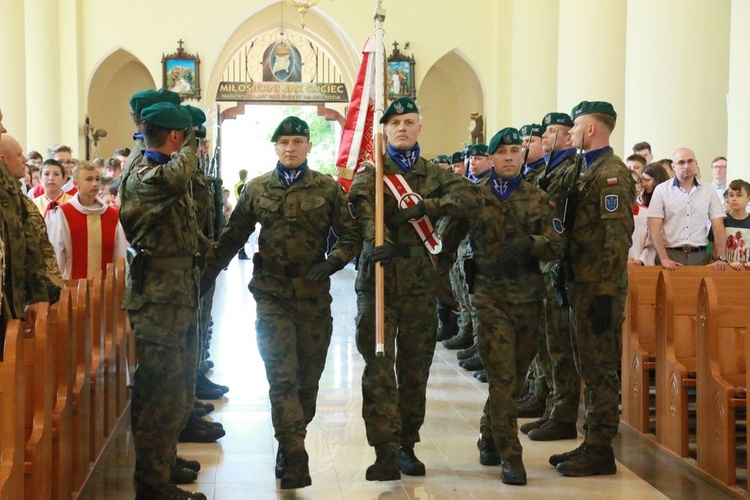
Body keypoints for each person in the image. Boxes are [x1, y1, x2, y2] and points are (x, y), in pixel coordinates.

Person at [201, 116, 361, 490]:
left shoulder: (327, 189)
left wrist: (333, 262)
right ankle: (294, 452)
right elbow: (232, 236)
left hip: (313, 294)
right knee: (281, 376)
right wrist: (206, 276)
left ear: (308, 146)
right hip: (271, 293)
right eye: (284, 142)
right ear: (275, 147)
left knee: (307, 380)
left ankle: (291, 437)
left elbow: (351, 235)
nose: (291, 148)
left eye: (297, 142)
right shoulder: (257, 189)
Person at [347, 97, 483, 481]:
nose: (402, 128)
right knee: (378, 367)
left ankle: (407, 443)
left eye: (409, 122)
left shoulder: (433, 174)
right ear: (385, 131)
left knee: (414, 369)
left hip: (421, 284)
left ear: (419, 127)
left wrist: (428, 205)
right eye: (395, 123)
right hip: (380, 282)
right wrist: (378, 239)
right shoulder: (372, 173)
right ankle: (384, 449)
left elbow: (473, 198)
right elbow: (360, 208)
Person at [461, 127, 563, 485]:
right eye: (500, 151)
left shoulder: (539, 198)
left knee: (515, 377)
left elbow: (555, 244)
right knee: (502, 377)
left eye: (513, 151)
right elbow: (444, 238)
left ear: (522, 156)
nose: (507, 157)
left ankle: (488, 433)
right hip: (488, 296)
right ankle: (510, 455)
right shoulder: (474, 197)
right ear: (490, 158)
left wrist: (529, 244)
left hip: (527, 296)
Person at [118, 102, 207, 500]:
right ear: (176, 136)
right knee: (160, 394)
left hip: (177, 296)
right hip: (157, 302)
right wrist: (190, 144)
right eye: (186, 135)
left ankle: (164, 462)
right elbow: (176, 175)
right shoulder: (145, 173)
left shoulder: (157, 168)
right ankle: (152, 484)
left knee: (180, 389)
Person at [549, 101, 635, 477]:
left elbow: (615, 239)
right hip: (580, 281)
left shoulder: (611, 174)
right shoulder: (584, 169)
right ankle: (590, 441)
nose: (571, 134)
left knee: (600, 370)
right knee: (586, 364)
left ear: (593, 130)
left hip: (599, 288)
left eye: (577, 127)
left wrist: (602, 292)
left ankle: (601, 449)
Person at [0, 133, 48, 357]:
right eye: (19, 155)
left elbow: (29, 247)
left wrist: (35, 297)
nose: (25, 160)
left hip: (12, 302)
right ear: (2, 160)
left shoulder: (14, 196)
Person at [648, 147, 727, 270]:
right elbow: (654, 227)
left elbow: (718, 225)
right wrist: (664, 258)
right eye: (681, 162)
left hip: (700, 256)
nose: (686, 166)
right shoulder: (661, 190)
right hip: (670, 254)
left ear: (696, 163)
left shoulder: (708, 190)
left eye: (690, 161)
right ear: (673, 167)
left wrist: (721, 257)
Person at [48, 161, 128, 279]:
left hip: (106, 286)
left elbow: (120, 254)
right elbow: (56, 253)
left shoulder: (112, 214)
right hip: (72, 285)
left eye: (97, 179)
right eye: (89, 179)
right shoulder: (64, 212)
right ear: (76, 183)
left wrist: (120, 282)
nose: (95, 184)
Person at [710, 179, 750, 268]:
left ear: (748, 198)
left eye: (739, 195)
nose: (734, 199)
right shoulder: (720, 221)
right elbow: (713, 250)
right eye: (731, 195)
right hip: (725, 269)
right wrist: (729, 262)